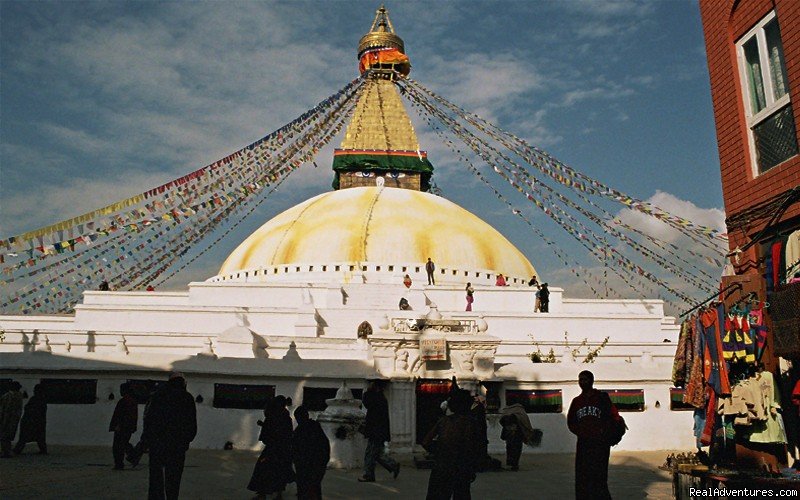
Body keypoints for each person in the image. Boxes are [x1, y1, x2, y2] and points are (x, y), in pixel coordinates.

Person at [142, 372, 197, 500]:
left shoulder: (158, 396)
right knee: (174, 477)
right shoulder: (187, 397)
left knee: (156, 477)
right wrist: (186, 440)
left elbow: (149, 420)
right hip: (177, 445)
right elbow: (191, 423)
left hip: (157, 444)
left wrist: (147, 439)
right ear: (182, 382)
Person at [422, 388, 481, 500]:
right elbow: (472, 447)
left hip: (441, 466)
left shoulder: (443, 421)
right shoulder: (470, 423)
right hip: (461, 466)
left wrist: (439, 452)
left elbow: (426, 442)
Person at [567, 370, 614, 500]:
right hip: (583, 443)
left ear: (592, 381)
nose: (582, 382)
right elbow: (571, 421)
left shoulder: (601, 398)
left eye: (585, 379)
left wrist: (602, 432)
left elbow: (609, 418)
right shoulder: (577, 401)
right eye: (580, 380)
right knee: (583, 474)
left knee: (599, 475)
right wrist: (581, 432)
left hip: (600, 444)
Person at [249, 396, 295, 499]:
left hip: (272, 450)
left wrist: (265, 427)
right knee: (280, 471)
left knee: (263, 470)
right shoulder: (286, 417)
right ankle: (278, 493)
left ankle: (262, 494)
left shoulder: (272, 416)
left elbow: (270, 434)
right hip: (284, 449)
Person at [359, 380, 400, 482]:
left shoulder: (376, 398)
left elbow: (366, 402)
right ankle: (393, 465)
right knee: (377, 454)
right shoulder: (380, 398)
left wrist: (368, 391)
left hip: (376, 431)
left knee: (370, 453)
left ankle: (368, 475)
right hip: (379, 431)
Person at [292, 405, 330, 500]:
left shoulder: (299, 431)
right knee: (315, 488)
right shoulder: (316, 427)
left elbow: (295, 449)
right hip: (317, 464)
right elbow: (325, 446)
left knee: (305, 489)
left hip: (305, 466)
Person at [109, 382, 138, 470]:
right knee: (123, 444)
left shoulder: (125, 401)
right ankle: (133, 456)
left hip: (123, 427)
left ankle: (120, 463)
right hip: (127, 427)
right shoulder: (131, 401)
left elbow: (122, 415)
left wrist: (118, 425)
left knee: (118, 446)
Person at [14, 383, 47, 455]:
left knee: (23, 437)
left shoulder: (35, 399)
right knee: (40, 437)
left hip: (30, 421)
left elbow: (29, 409)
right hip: (38, 422)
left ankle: (17, 450)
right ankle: (43, 450)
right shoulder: (42, 399)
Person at [1, 382, 24, 458]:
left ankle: (6, 452)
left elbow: (6, 409)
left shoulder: (8, 396)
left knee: (4, 436)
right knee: (8, 436)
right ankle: (7, 451)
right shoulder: (19, 396)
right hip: (14, 419)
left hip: (6, 419)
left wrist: (3, 420)